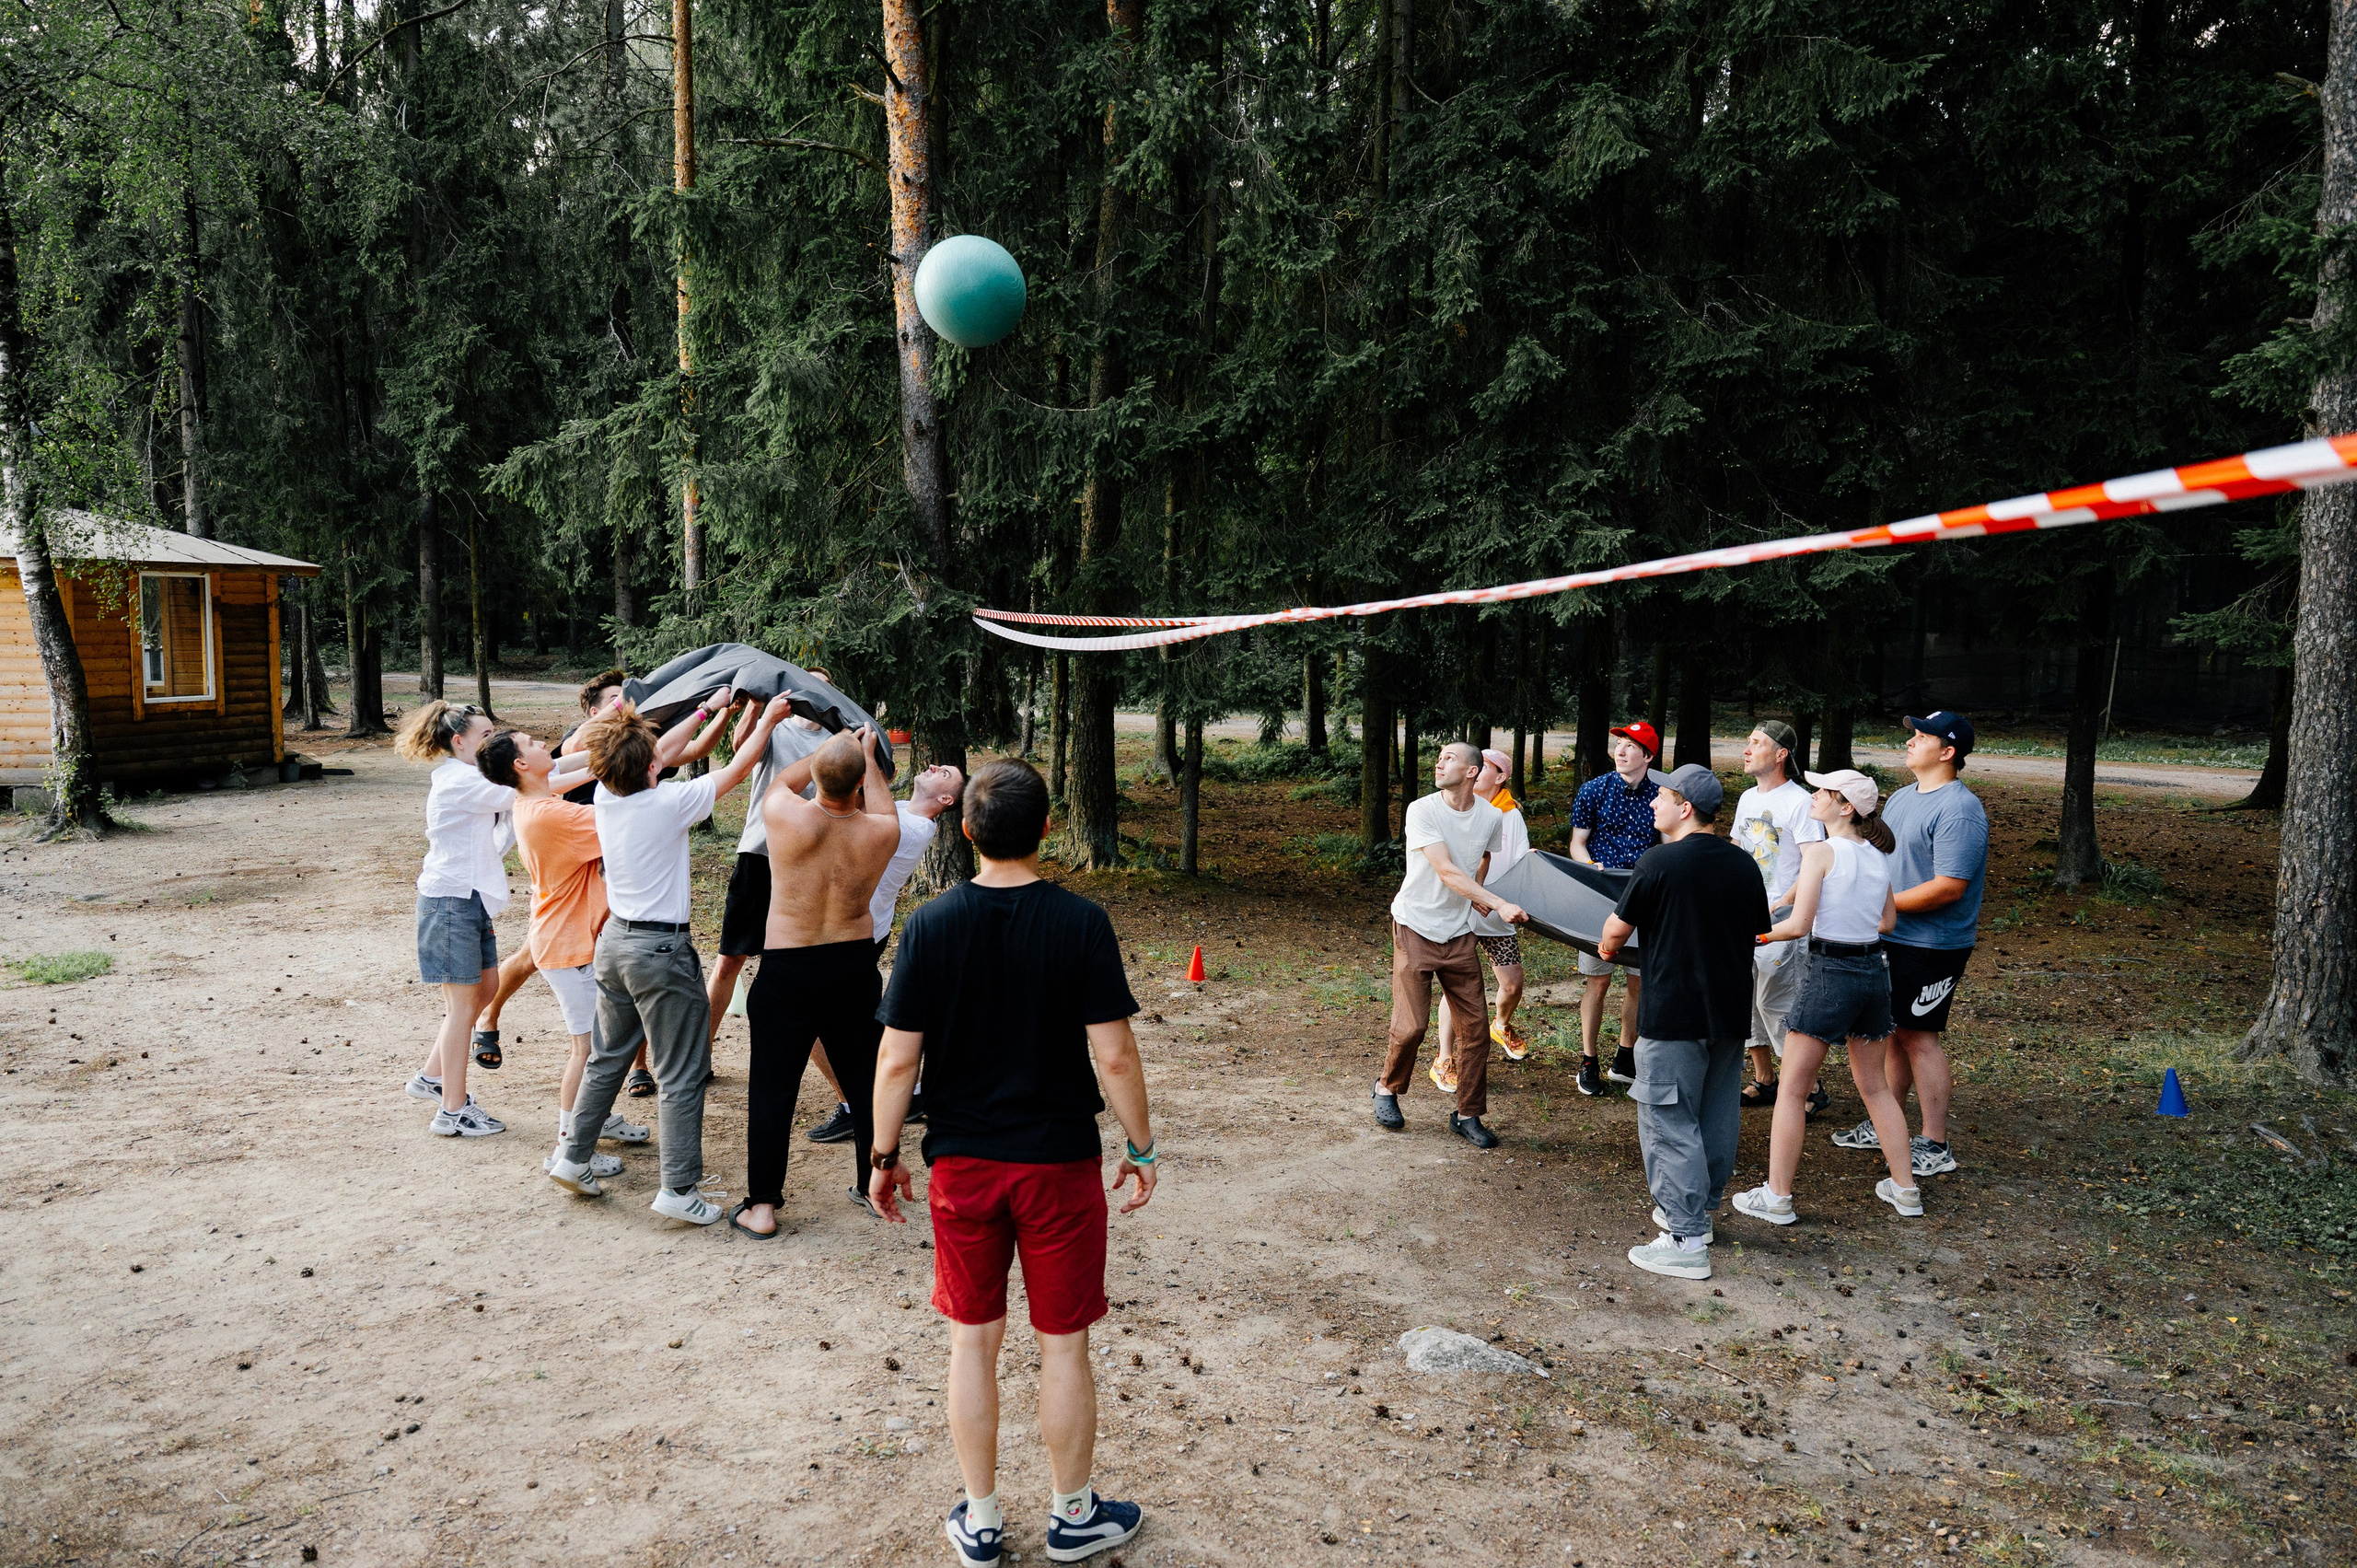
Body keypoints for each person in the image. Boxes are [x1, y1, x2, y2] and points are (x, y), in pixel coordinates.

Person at [867, 760, 1154, 1567]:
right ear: (1049, 827)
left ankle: (983, 1521)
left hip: (963, 1165)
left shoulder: (929, 925)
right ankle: (1073, 1516)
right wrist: (1140, 1145)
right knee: (1064, 1344)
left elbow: (896, 1063)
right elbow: (1117, 1054)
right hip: (1058, 1162)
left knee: (972, 1342)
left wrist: (884, 1154)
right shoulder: (1081, 921)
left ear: (965, 831)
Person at [546, 691, 790, 1225]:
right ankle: (678, 1189)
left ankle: (573, 1156)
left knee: (607, 1057)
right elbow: (736, 769)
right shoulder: (668, 801)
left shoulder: (606, 797)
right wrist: (765, 719)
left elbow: (657, 752)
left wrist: (710, 711)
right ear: (653, 766)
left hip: (614, 945)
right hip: (660, 951)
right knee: (681, 1070)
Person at [1596, 762, 1770, 1282]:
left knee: (1668, 1120)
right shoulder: (1744, 865)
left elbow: (1614, 932)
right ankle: (1700, 1215)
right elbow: (1756, 932)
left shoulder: (1659, 863)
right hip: (1730, 1011)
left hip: (1673, 1014)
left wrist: (1608, 947)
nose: (1653, 804)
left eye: (1662, 797)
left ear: (1685, 808)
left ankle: (1685, 1239)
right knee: (1716, 1114)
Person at [729, 728, 903, 1238]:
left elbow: (784, 777)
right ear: (860, 784)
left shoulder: (785, 813)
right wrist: (866, 754)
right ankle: (875, 1186)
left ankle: (762, 1207)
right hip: (851, 967)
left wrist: (832, 749)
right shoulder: (881, 832)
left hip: (789, 967)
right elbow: (880, 802)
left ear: (818, 778)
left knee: (772, 1088)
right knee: (866, 1082)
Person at [1732, 769, 1923, 1225]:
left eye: (1823, 793)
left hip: (1829, 974)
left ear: (1846, 807)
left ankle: (1777, 1198)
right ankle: (1906, 1189)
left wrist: (1751, 936)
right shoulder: (1876, 856)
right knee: (1875, 1088)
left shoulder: (1820, 852)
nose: (1814, 797)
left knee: (1793, 1090)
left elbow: (1798, 926)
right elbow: (1889, 923)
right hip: (1873, 973)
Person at [473, 729, 649, 1168]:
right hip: (568, 949)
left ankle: (597, 1118)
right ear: (520, 764)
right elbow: (626, 817)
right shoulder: (552, 816)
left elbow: (584, 768)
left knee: (602, 1046)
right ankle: (569, 1148)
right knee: (587, 1050)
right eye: (532, 743)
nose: (542, 745)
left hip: (569, 940)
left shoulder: (535, 801)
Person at [1830, 713, 1986, 1179]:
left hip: (1934, 944)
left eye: (1921, 737)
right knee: (1894, 1029)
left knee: (1920, 1036)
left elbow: (1949, 885)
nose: (1910, 741)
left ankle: (1935, 1143)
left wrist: (1884, 906)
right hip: (1891, 936)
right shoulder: (1899, 798)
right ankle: (1888, 1122)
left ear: (1947, 751)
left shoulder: (1960, 809)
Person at [1369, 741, 1528, 1149]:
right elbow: (1443, 869)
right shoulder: (1422, 810)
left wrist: (1476, 892)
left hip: (1459, 933)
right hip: (1416, 926)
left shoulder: (1493, 817)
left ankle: (1467, 1114)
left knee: (1474, 1030)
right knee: (1413, 1025)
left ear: (1473, 772)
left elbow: (1485, 857)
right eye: (1438, 758)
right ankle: (1387, 1088)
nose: (1439, 762)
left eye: (1449, 758)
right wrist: (1494, 901)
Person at [706, 681, 836, 1111]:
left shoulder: (838, 742)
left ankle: (821, 1073)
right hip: (758, 854)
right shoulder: (777, 727)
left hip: (805, 864)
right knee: (729, 960)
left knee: (796, 971)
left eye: (824, 688)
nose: (815, 695)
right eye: (808, 686)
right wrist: (759, 711)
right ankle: (699, 1058)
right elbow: (740, 749)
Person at [398, 699, 514, 1137]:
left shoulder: (474, 776)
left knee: (486, 988)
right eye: (486, 735)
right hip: (449, 904)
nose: (494, 741)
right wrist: (597, 758)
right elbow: (531, 783)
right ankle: (452, 1110)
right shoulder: (460, 781)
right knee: (462, 1008)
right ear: (460, 742)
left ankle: (430, 1077)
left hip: (469, 899)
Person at [1727, 721, 1827, 1113]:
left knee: (1776, 1001)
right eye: (1748, 741)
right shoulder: (1747, 799)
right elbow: (1736, 851)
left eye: (1756, 743)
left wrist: (1778, 903)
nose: (1747, 749)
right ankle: (1766, 1080)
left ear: (1781, 754)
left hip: (1780, 920)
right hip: (1742, 917)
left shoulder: (1799, 802)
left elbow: (1813, 863)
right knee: (1746, 998)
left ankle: (1809, 1087)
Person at [1568, 720, 1663, 1097]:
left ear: (1648, 756)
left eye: (1631, 745)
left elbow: (1669, 842)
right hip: (1599, 898)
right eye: (1619, 744)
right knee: (1598, 979)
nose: (1621, 751)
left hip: (1645, 900)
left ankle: (1625, 1057)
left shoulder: (1661, 795)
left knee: (1639, 982)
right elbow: (1577, 843)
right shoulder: (1593, 790)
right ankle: (1588, 1060)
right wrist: (1589, 867)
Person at [1434, 749, 1530, 1078]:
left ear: (1500, 777)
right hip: (1462, 914)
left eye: (1484, 769)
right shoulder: (1455, 810)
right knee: (1455, 989)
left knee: (1513, 984)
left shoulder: (1510, 816)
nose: (1475, 774)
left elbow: (1518, 862)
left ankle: (1500, 1025)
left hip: (1495, 913)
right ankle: (1444, 1058)